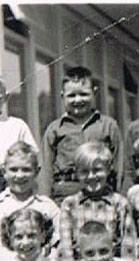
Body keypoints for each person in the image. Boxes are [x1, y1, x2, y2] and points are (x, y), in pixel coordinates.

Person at [40, 67, 121, 203]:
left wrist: (119, 198)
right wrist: (46, 203)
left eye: (83, 94)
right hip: (65, 195)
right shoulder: (55, 129)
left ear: (94, 93)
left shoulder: (108, 126)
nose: (77, 100)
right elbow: (46, 171)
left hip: (102, 194)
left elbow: (119, 167)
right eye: (71, 96)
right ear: (62, 96)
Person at [0, 142, 61, 261]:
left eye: (26, 169)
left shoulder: (47, 207)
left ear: (37, 171)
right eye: (13, 169)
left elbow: (56, 248)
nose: (19, 175)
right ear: (4, 172)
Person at [57, 141, 137, 261]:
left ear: (108, 169)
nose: (91, 176)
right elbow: (65, 245)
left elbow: (128, 243)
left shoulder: (120, 203)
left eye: (97, 170)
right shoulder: (70, 204)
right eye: (84, 171)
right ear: (77, 173)